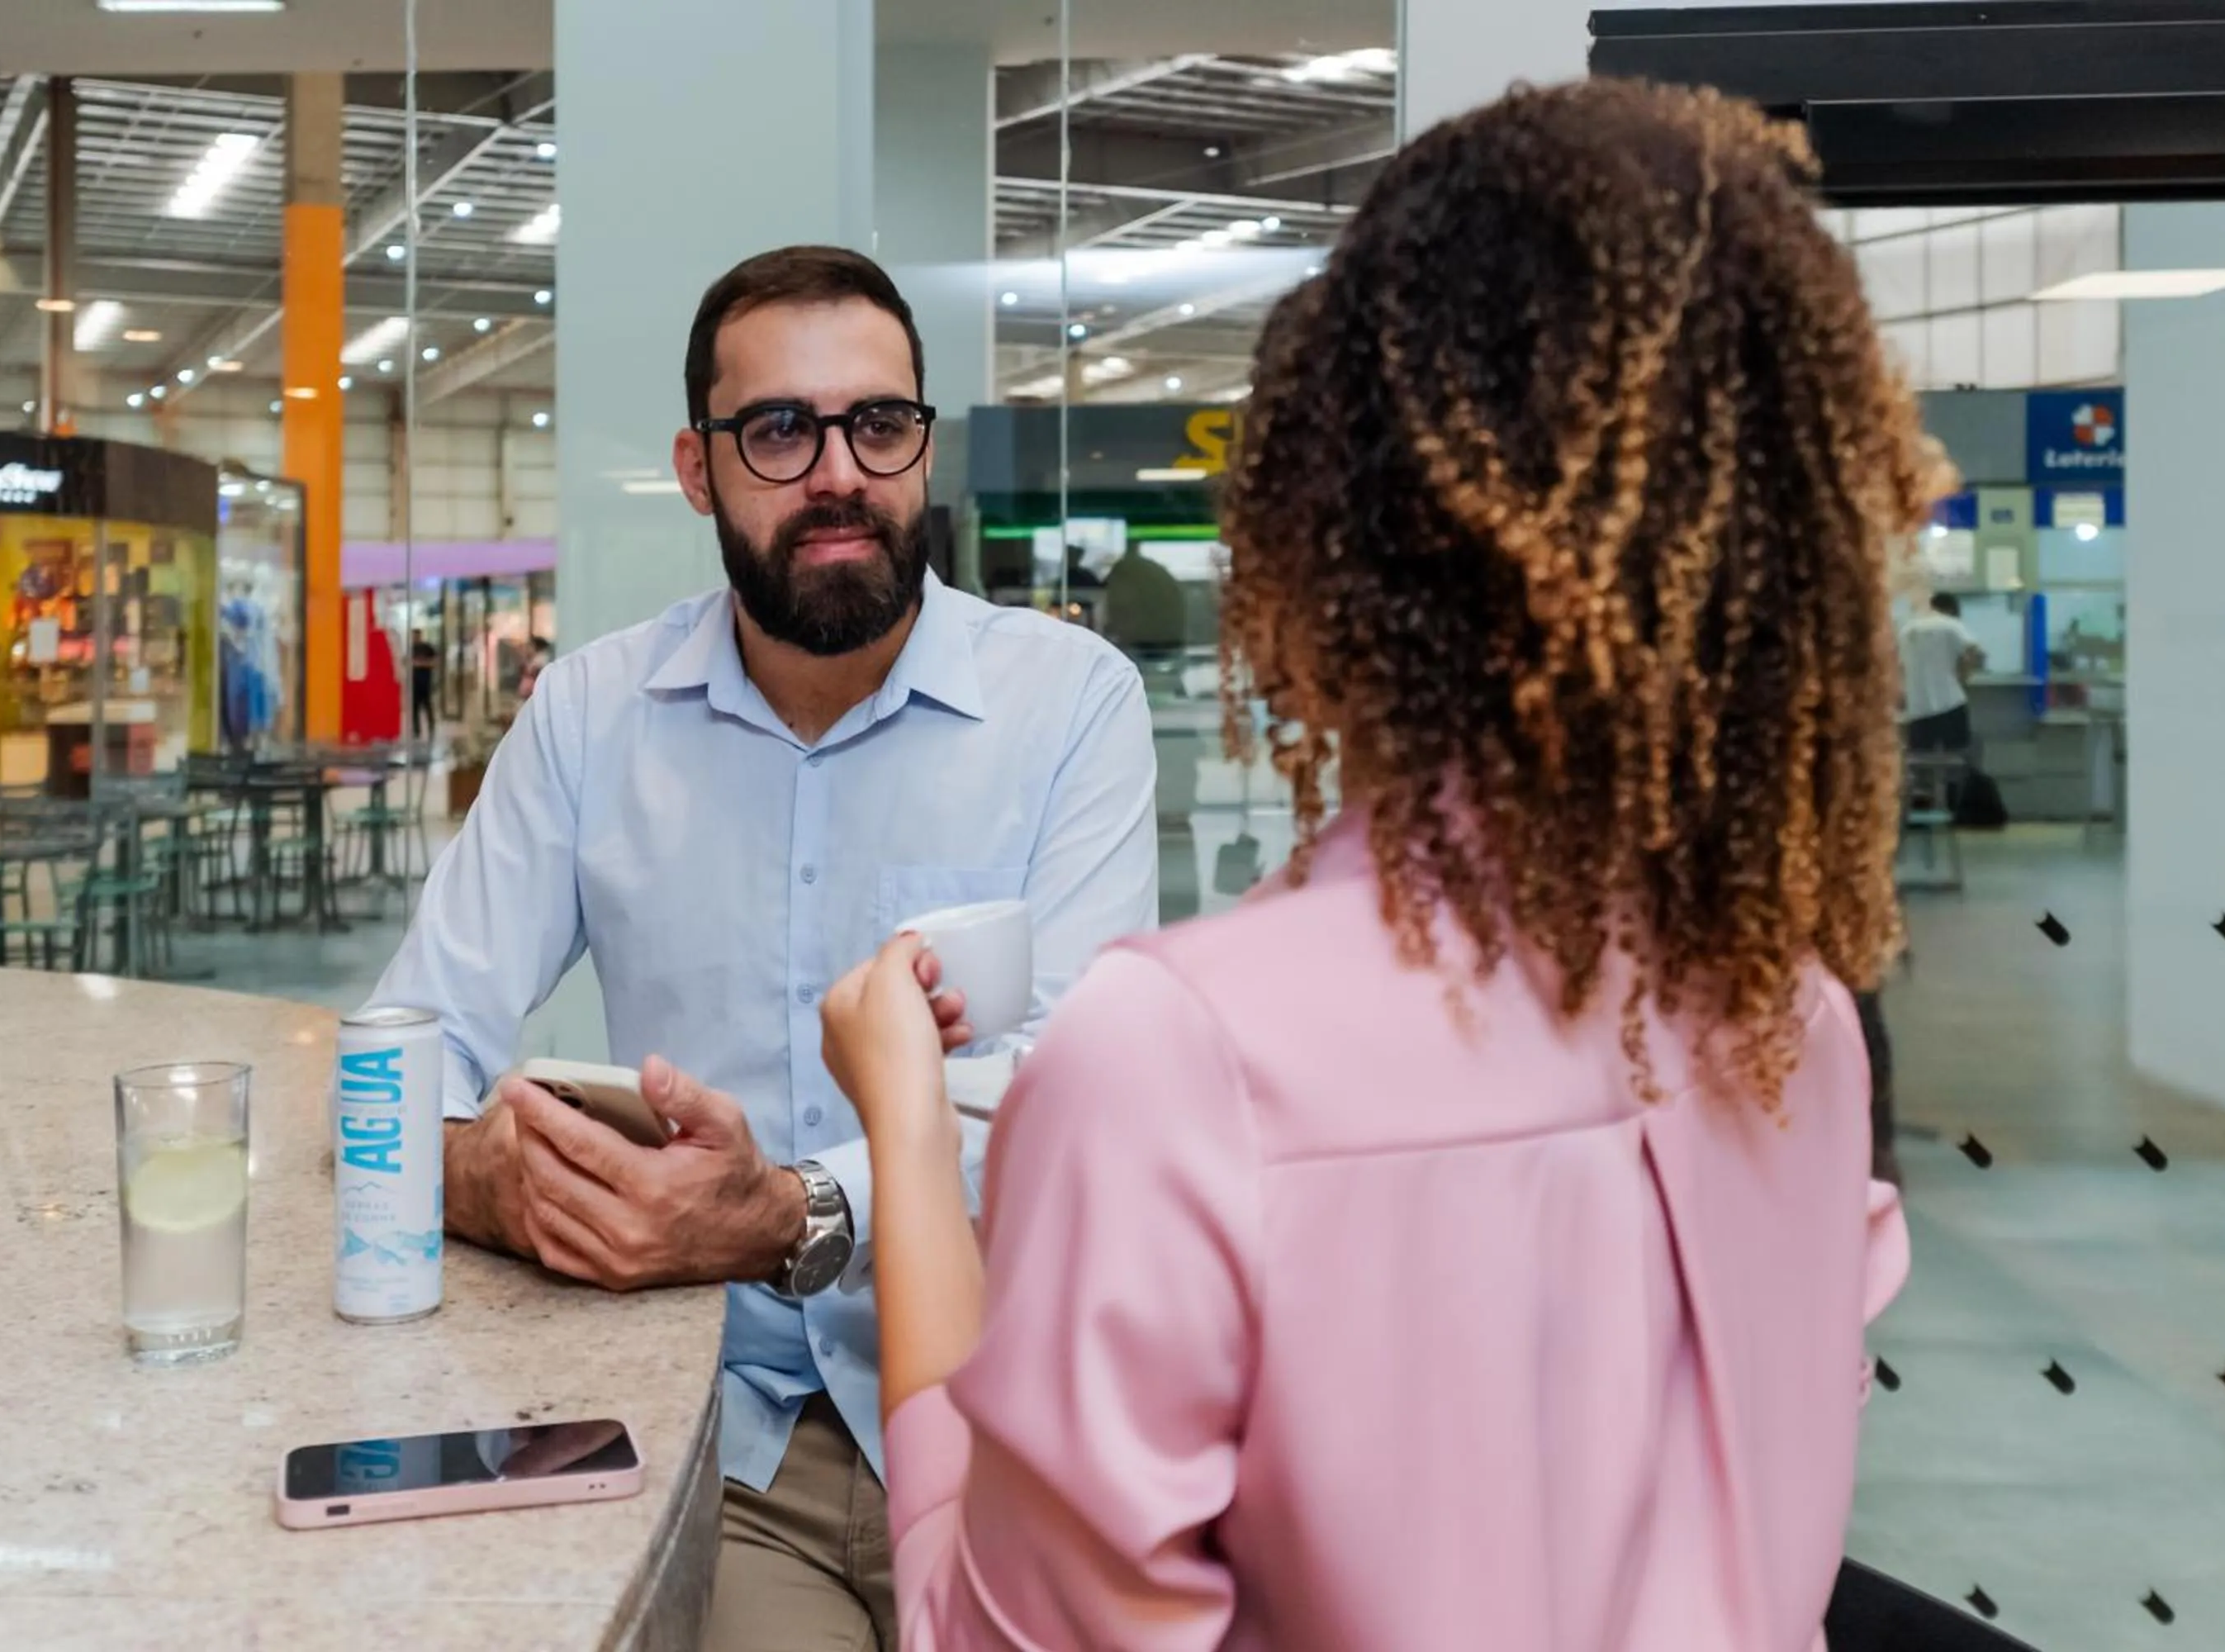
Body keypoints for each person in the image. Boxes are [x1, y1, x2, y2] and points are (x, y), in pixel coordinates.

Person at [818, 81, 1922, 1650]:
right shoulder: (1792, 1019)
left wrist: (910, 1128)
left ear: (1323, 525)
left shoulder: (1188, 1063)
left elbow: (982, 1632)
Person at [363, 246, 1160, 1651]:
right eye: (781, 431)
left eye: (880, 424)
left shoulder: (1070, 706)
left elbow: (1085, 1104)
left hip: (1015, 1422)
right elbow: (396, 1058)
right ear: (699, 468)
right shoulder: (591, 719)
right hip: (739, 1444)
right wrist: (487, 1178)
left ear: (924, 447)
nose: (840, 473)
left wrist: (796, 1212)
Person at [1900, 591, 1982, 753]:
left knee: (1920, 757)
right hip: (1950, 703)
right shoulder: (1951, 624)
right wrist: (1964, 675)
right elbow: (1974, 650)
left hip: (1918, 708)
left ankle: (1925, 771)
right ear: (1952, 609)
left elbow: (1899, 665)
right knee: (1957, 756)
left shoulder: (1907, 629)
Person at [409, 629, 440, 738]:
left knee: (427, 706)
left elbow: (435, 661)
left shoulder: (427, 648)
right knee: (415, 707)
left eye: (416, 636)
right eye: (414, 636)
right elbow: (407, 663)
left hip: (426, 681)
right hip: (414, 682)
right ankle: (416, 730)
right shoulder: (411, 649)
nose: (415, 638)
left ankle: (431, 728)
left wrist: (423, 664)